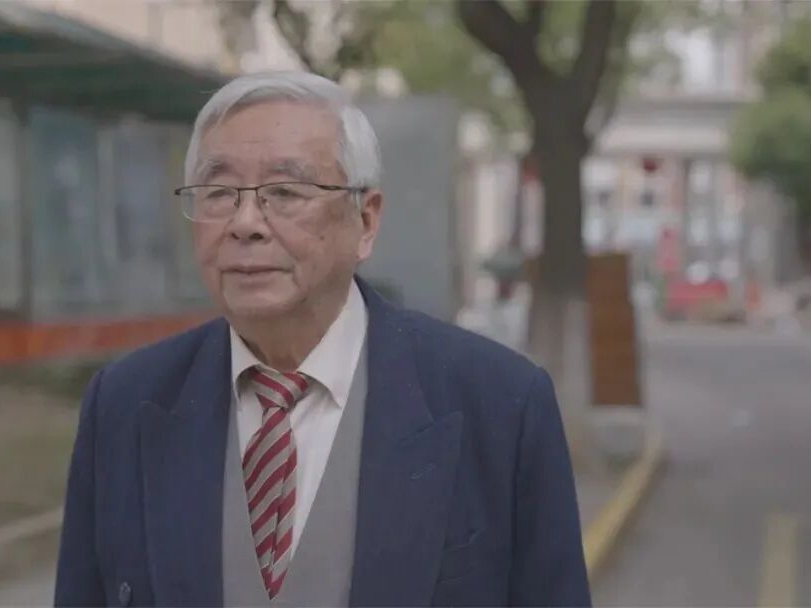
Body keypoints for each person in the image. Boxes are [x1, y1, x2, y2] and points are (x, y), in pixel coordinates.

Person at [54, 71, 590, 607]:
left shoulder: (500, 405)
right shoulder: (124, 405)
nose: (245, 223)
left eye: (284, 192)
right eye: (218, 193)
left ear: (366, 221)